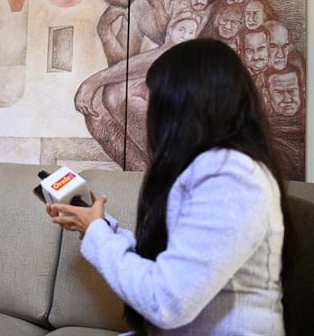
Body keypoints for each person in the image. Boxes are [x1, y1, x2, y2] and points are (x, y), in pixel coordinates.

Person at [52, 39, 291, 334]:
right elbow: (176, 264)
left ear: (183, 102)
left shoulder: (230, 177)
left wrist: (97, 233)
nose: (148, 111)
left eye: (152, 98)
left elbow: (166, 302)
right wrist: (99, 225)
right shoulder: (213, 168)